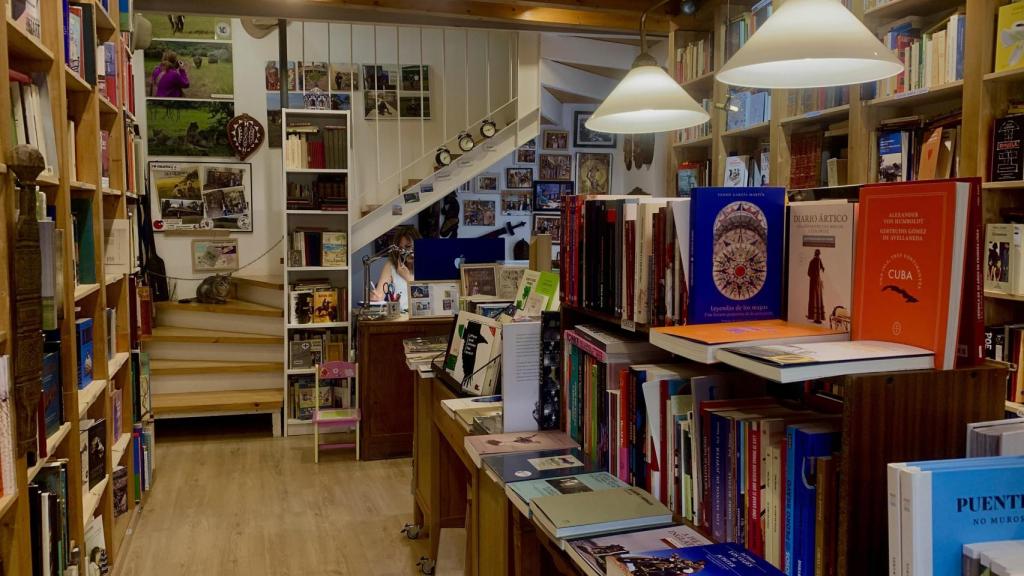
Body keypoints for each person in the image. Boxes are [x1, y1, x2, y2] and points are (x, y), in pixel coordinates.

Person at [371, 226, 420, 311]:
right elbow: (379, 295)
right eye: (401, 249)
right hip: (400, 318)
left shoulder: (427, 265)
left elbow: (426, 295)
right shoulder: (391, 265)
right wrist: (376, 298)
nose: (405, 252)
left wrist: (408, 278)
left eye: (408, 246)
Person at [807, 248, 826, 324]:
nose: (818, 256)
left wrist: (814, 276)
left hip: (814, 282)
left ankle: (816, 317)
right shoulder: (816, 260)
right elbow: (822, 268)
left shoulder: (813, 261)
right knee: (816, 298)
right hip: (816, 282)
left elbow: (808, 273)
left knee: (814, 298)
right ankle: (816, 317)